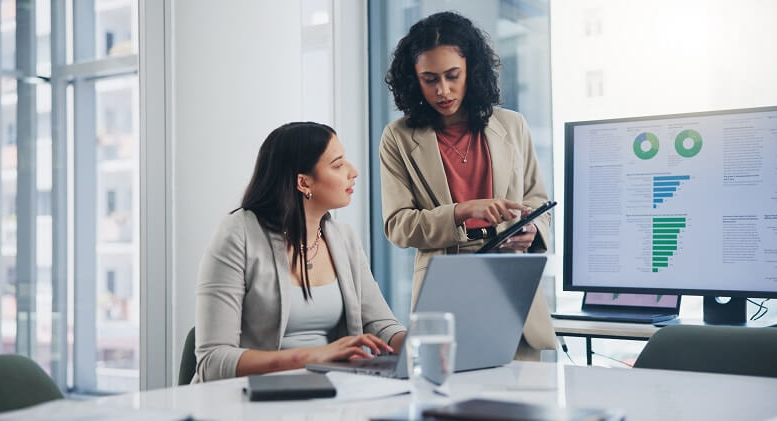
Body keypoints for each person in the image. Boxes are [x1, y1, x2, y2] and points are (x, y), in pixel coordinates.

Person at [380, 11, 556, 360]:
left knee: (520, 399)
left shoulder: (513, 125)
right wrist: (462, 211)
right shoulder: (398, 138)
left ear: (470, 71)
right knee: (444, 398)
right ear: (414, 81)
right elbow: (398, 226)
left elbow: (539, 204)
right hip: (444, 283)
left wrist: (531, 230)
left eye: (452, 76)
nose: (442, 90)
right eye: (429, 79)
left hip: (509, 280)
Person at [193, 122, 406, 382]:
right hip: (249, 399)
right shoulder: (238, 234)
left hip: (329, 394)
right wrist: (315, 356)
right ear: (304, 182)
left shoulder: (344, 238)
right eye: (338, 165)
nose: (354, 172)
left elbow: (381, 326)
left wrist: (423, 340)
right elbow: (212, 361)